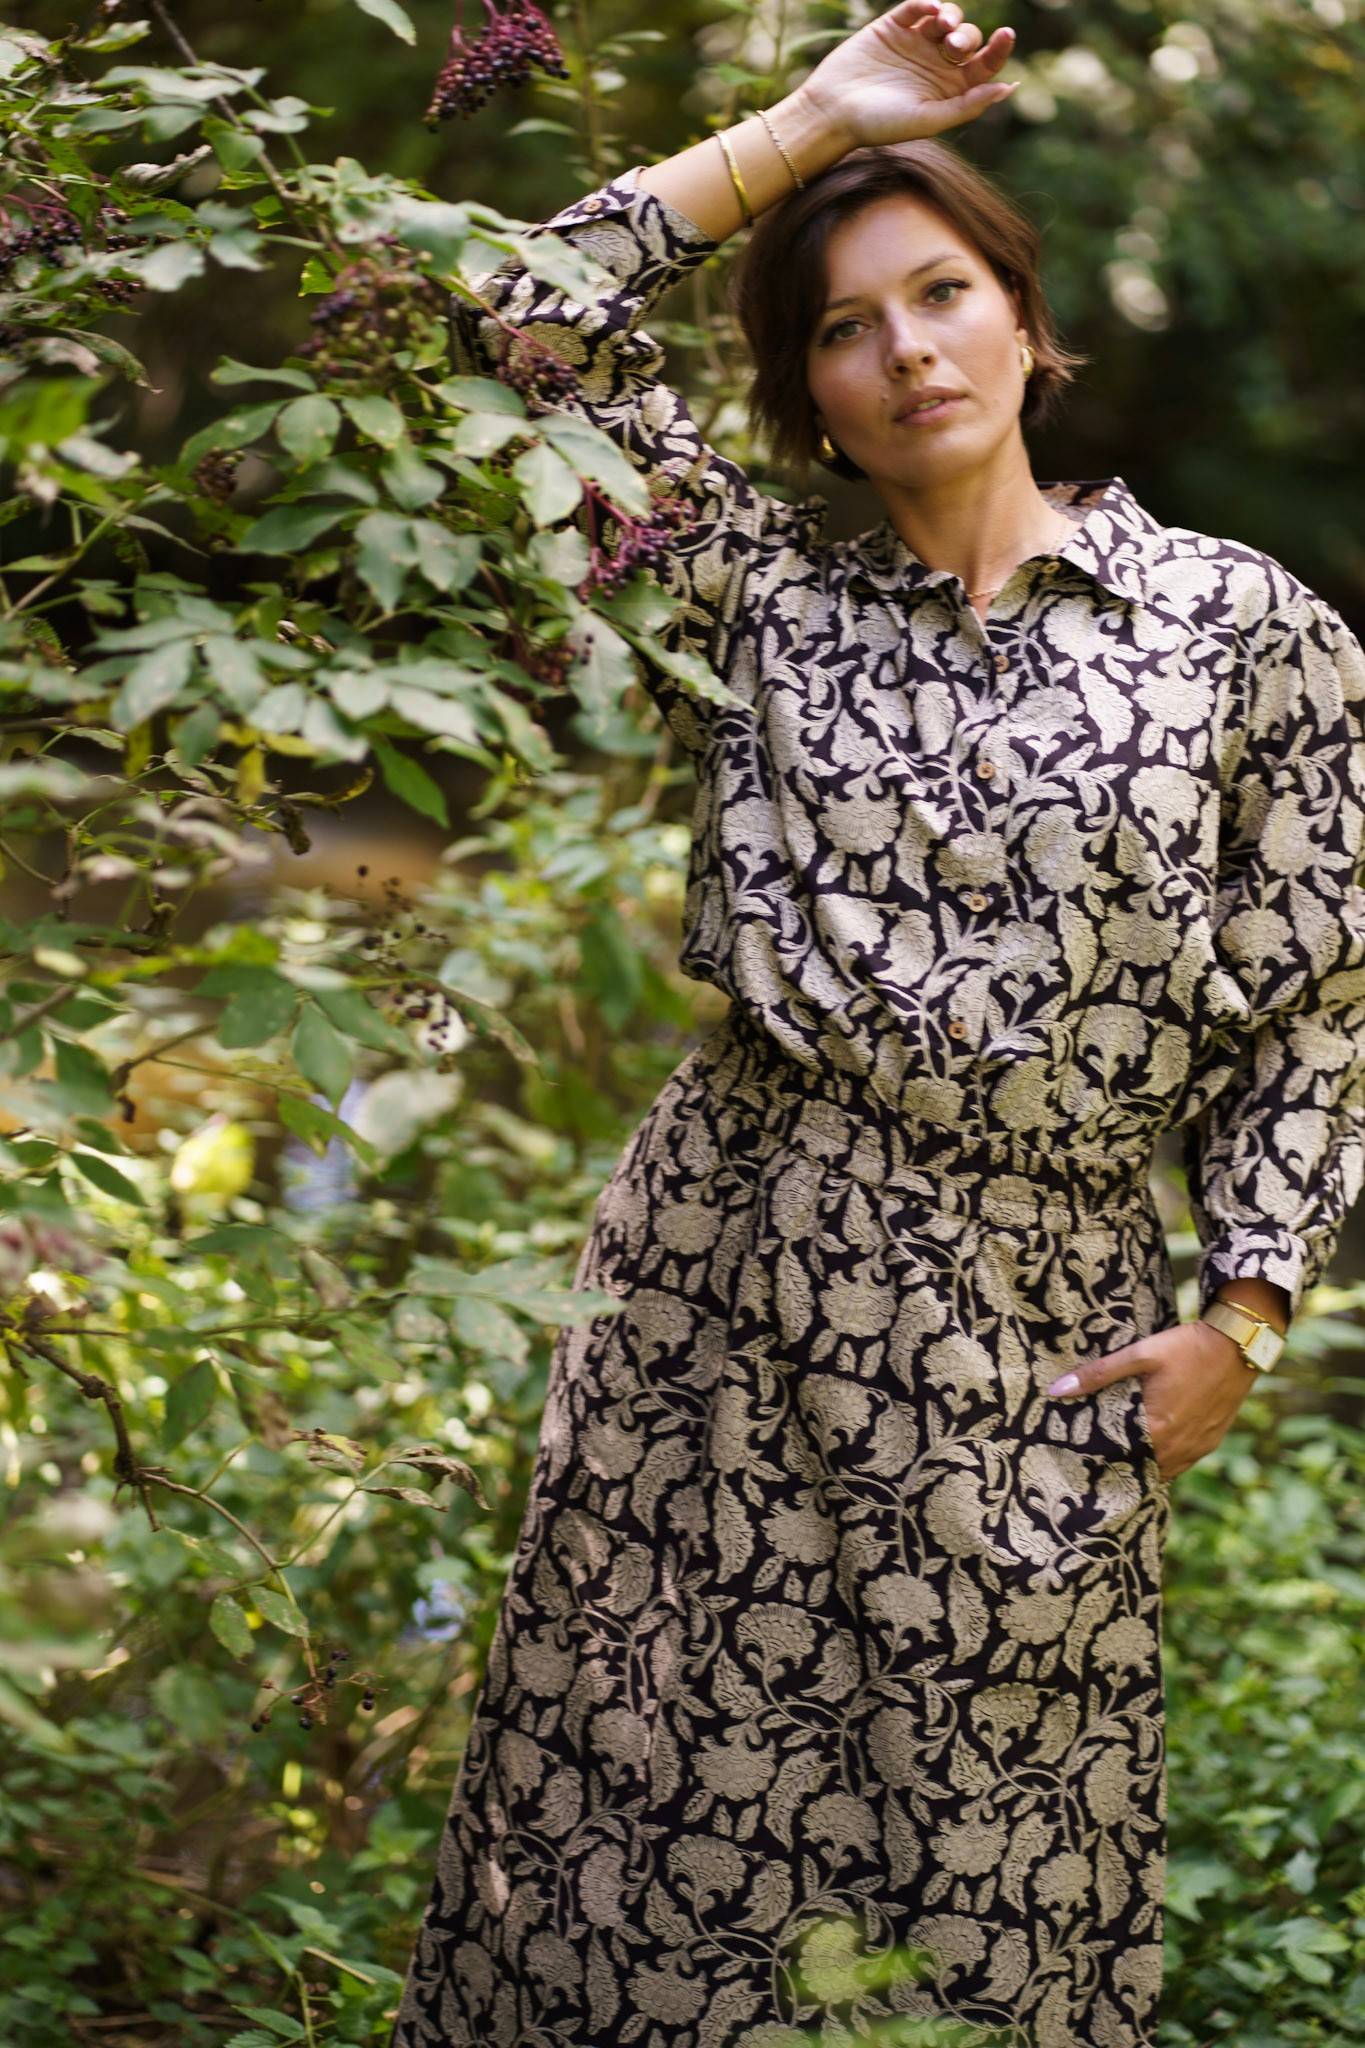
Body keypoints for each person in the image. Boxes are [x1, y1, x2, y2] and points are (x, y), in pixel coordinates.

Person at [389, 4, 1365, 2041]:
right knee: (640, 1826)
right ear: (810, 398)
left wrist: (1246, 1307)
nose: (904, 347)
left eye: (940, 294)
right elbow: (523, 322)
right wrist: (814, 120)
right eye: (844, 327)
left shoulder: (1240, 630)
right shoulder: (750, 595)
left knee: (1002, 1854)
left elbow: (1315, 1000)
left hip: (1042, 1318)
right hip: (723, 1279)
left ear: (1023, 326)